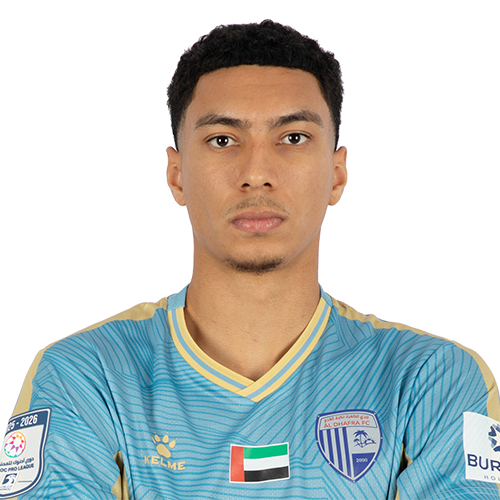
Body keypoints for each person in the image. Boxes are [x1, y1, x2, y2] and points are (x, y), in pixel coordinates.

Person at [1, 20, 499, 500]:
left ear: (337, 174)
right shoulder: (85, 373)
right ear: (176, 174)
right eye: (223, 140)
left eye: (293, 137)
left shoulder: (432, 378)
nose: (257, 173)